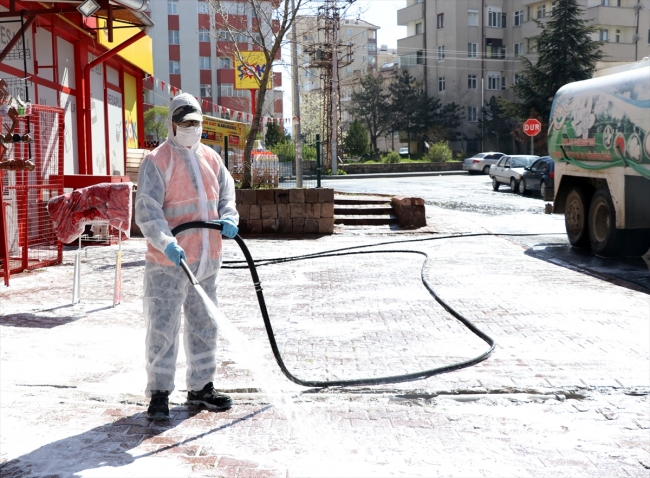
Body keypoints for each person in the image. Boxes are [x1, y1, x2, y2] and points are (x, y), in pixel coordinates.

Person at [135, 94, 239, 420]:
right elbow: (147, 211)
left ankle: (201, 388)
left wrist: (229, 218)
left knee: (204, 325)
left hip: (206, 261)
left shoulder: (212, 159)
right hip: (169, 262)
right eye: (185, 123)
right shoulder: (157, 161)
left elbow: (226, 195)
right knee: (163, 328)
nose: (191, 128)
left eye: (195, 123)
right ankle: (160, 393)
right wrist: (165, 241)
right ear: (172, 124)